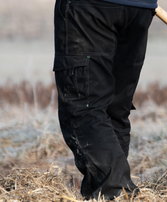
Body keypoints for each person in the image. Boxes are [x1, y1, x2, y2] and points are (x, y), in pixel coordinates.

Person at [53, 0, 157, 199]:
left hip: (91, 7)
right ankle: (105, 192)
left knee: (85, 106)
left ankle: (115, 191)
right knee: (113, 109)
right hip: (139, 7)